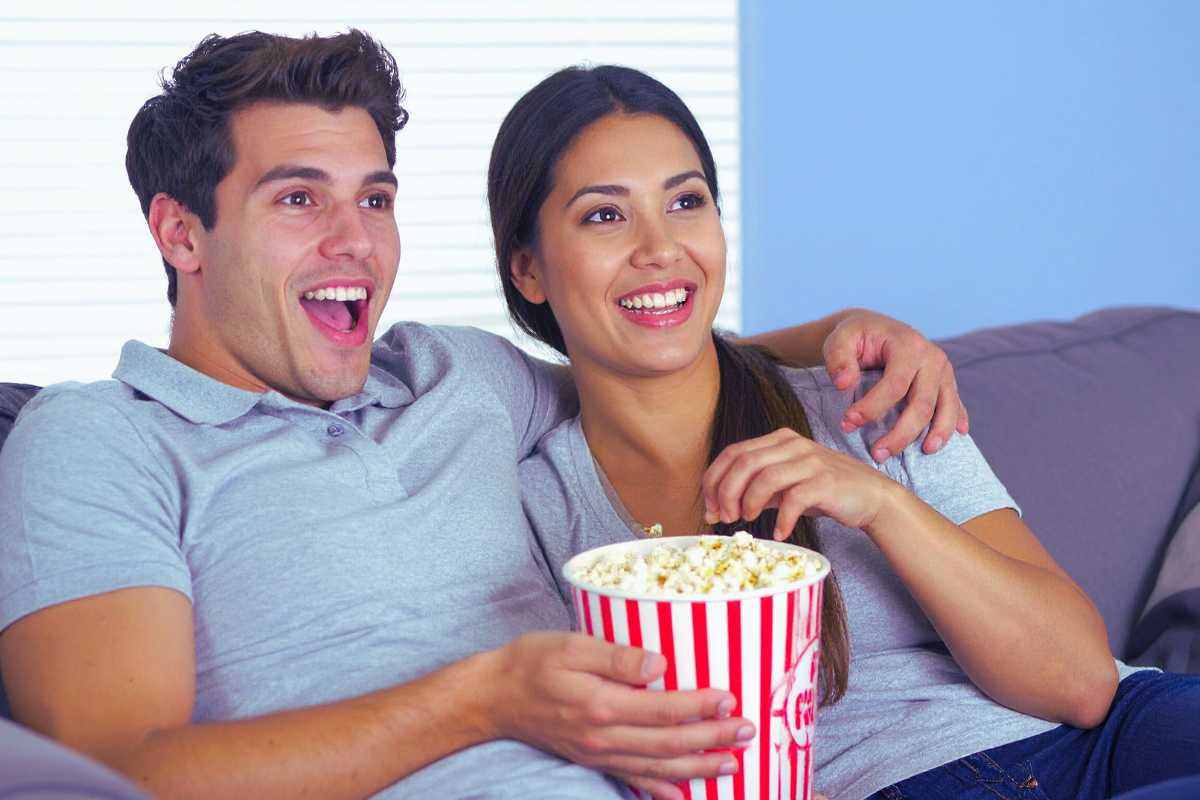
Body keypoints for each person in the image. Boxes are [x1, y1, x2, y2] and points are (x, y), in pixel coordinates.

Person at [0, 31, 972, 799]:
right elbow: (113, 772)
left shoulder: (452, 374)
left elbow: (645, 343)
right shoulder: (99, 439)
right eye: (298, 199)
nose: (355, 240)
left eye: (375, 199)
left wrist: (841, 333)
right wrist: (481, 701)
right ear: (181, 233)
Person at [495, 65, 1200, 800]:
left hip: (1119, 740)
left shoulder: (871, 399)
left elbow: (1083, 683)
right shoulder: (534, 508)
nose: (661, 247)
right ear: (528, 269)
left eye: (686, 202)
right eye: (604, 216)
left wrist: (881, 503)